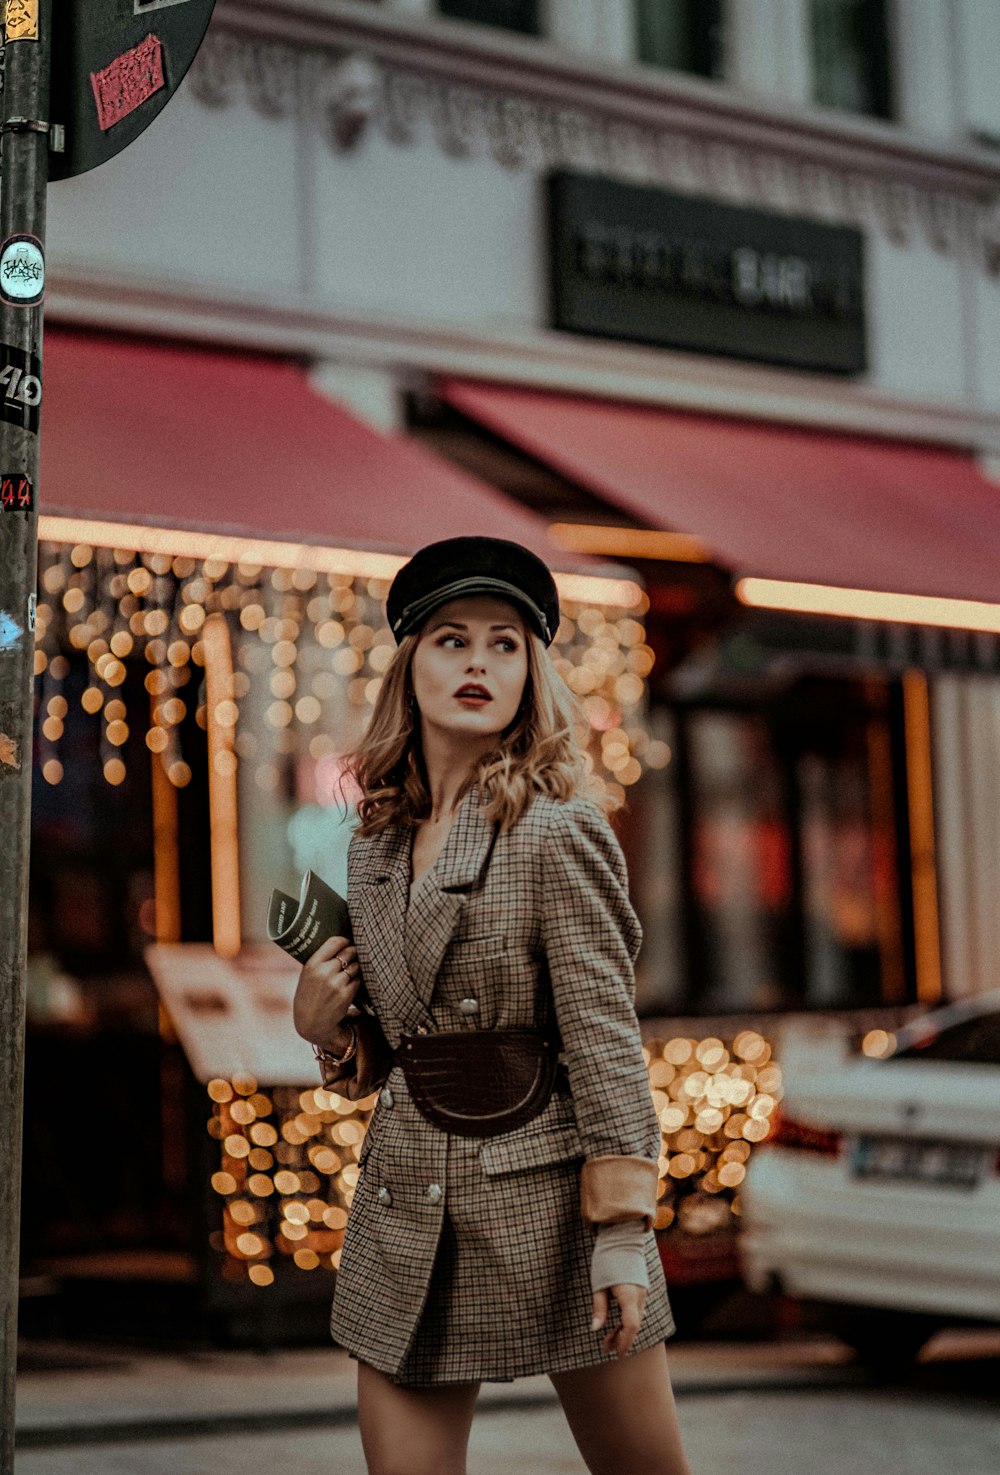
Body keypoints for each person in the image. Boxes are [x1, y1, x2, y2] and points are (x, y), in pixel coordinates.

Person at [293, 537, 692, 1475]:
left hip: (549, 1212)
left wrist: (622, 1235)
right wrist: (326, 1030)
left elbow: (604, 1038)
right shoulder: (375, 845)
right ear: (410, 665)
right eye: (451, 639)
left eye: (505, 644)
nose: (478, 661)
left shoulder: (557, 831)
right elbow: (405, 1043)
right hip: (405, 1206)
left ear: (530, 674)